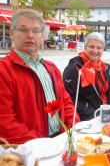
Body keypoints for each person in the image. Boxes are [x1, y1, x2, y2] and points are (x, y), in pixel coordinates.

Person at [0, 10, 80, 144]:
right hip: (29, 149)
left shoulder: (51, 68)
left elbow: (66, 103)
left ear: (42, 36)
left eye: (36, 31)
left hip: (60, 141)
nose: (30, 35)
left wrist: (73, 130)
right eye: (23, 30)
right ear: (12, 34)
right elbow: (5, 122)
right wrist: (43, 144)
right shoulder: (4, 70)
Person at [63, 32, 110, 121]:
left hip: (104, 116)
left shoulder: (105, 67)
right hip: (87, 119)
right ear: (85, 48)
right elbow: (70, 99)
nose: (95, 50)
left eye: (99, 48)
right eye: (91, 47)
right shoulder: (75, 68)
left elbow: (109, 93)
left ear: (103, 50)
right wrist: (94, 115)